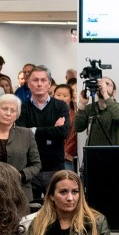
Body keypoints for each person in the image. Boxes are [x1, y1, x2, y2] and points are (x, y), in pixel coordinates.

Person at [17, 66, 71, 195]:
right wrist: (53, 130)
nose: (39, 84)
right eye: (35, 80)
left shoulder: (60, 106)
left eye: (43, 80)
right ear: (29, 84)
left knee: (56, 210)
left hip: (55, 169)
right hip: (30, 169)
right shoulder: (22, 108)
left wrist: (34, 130)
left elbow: (63, 132)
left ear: (49, 84)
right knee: (29, 211)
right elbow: (22, 135)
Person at [0, 93, 41, 203]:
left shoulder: (27, 134)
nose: (8, 113)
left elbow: (36, 164)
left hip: (20, 190)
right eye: (4, 109)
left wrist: (20, 176)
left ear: (17, 115)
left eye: (13, 110)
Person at [75, 76, 119, 146]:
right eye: (100, 84)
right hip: (93, 153)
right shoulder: (89, 108)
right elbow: (78, 128)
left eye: (107, 84)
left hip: (114, 153)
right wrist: (82, 104)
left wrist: (105, 94)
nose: (103, 86)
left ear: (114, 92)